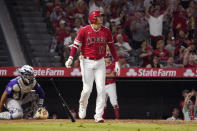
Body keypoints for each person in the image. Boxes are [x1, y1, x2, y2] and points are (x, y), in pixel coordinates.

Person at [65, 10, 120, 123]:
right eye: (99, 16)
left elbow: (112, 47)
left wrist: (117, 61)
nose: (101, 18)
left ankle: (98, 115)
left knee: (101, 89)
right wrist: (70, 58)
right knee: (87, 89)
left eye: (101, 16)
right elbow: (75, 45)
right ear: (93, 18)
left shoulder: (106, 31)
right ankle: (82, 105)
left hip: (100, 62)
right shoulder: (84, 30)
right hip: (86, 61)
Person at [102, 54, 119, 120]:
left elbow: (112, 75)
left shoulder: (113, 65)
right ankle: (102, 118)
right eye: (106, 57)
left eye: (109, 57)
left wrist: (102, 75)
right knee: (102, 103)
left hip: (111, 85)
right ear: (103, 59)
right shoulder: (101, 66)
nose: (108, 58)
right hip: (102, 85)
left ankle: (117, 118)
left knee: (114, 102)